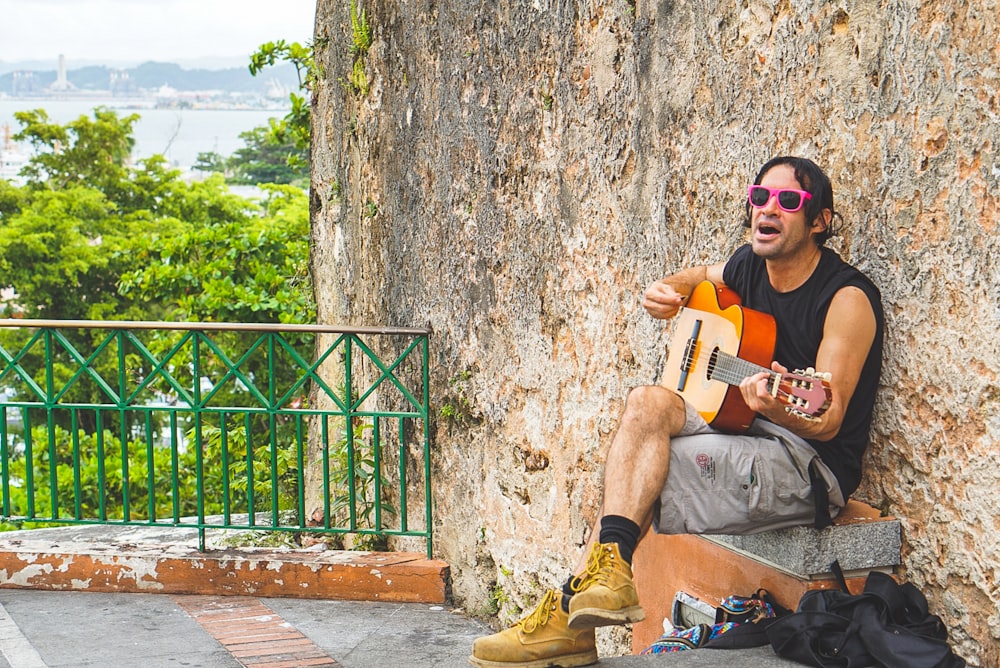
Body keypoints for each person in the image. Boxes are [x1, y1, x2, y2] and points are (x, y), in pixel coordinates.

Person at [469, 156, 884, 668]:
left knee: (643, 475)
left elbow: (828, 416)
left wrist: (780, 404)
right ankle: (605, 577)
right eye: (760, 197)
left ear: (819, 220)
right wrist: (668, 290)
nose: (768, 210)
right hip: (743, 423)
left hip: (805, 461)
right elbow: (697, 278)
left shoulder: (845, 298)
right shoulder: (748, 265)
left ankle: (564, 619)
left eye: (788, 201)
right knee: (645, 404)